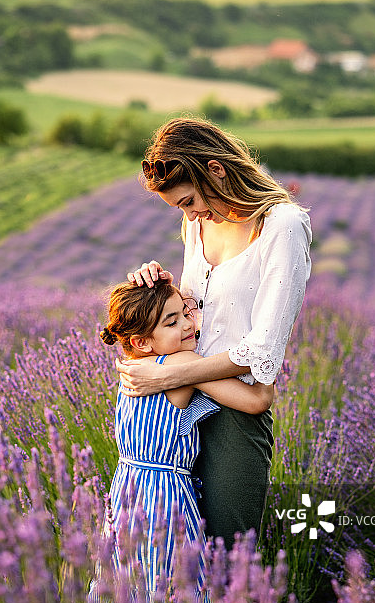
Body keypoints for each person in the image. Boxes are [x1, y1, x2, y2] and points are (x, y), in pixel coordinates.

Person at [117, 117, 312, 551]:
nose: (189, 215)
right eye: (180, 208)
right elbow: (194, 315)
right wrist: (158, 290)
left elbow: (261, 352)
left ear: (216, 169)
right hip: (174, 421)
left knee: (230, 571)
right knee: (181, 570)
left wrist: (173, 375)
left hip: (233, 415)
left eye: (189, 201)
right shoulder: (198, 226)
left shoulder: (281, 225)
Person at [99, 279, 273, 596]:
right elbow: (257, 402)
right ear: (141, 341)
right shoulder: (182, 362)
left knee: (137, 581)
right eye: (172, 321)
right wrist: (267, 368)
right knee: (180, 585)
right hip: (165, 497)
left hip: (127, 491)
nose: (188, 324)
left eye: (185, 312)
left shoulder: (135, 367)